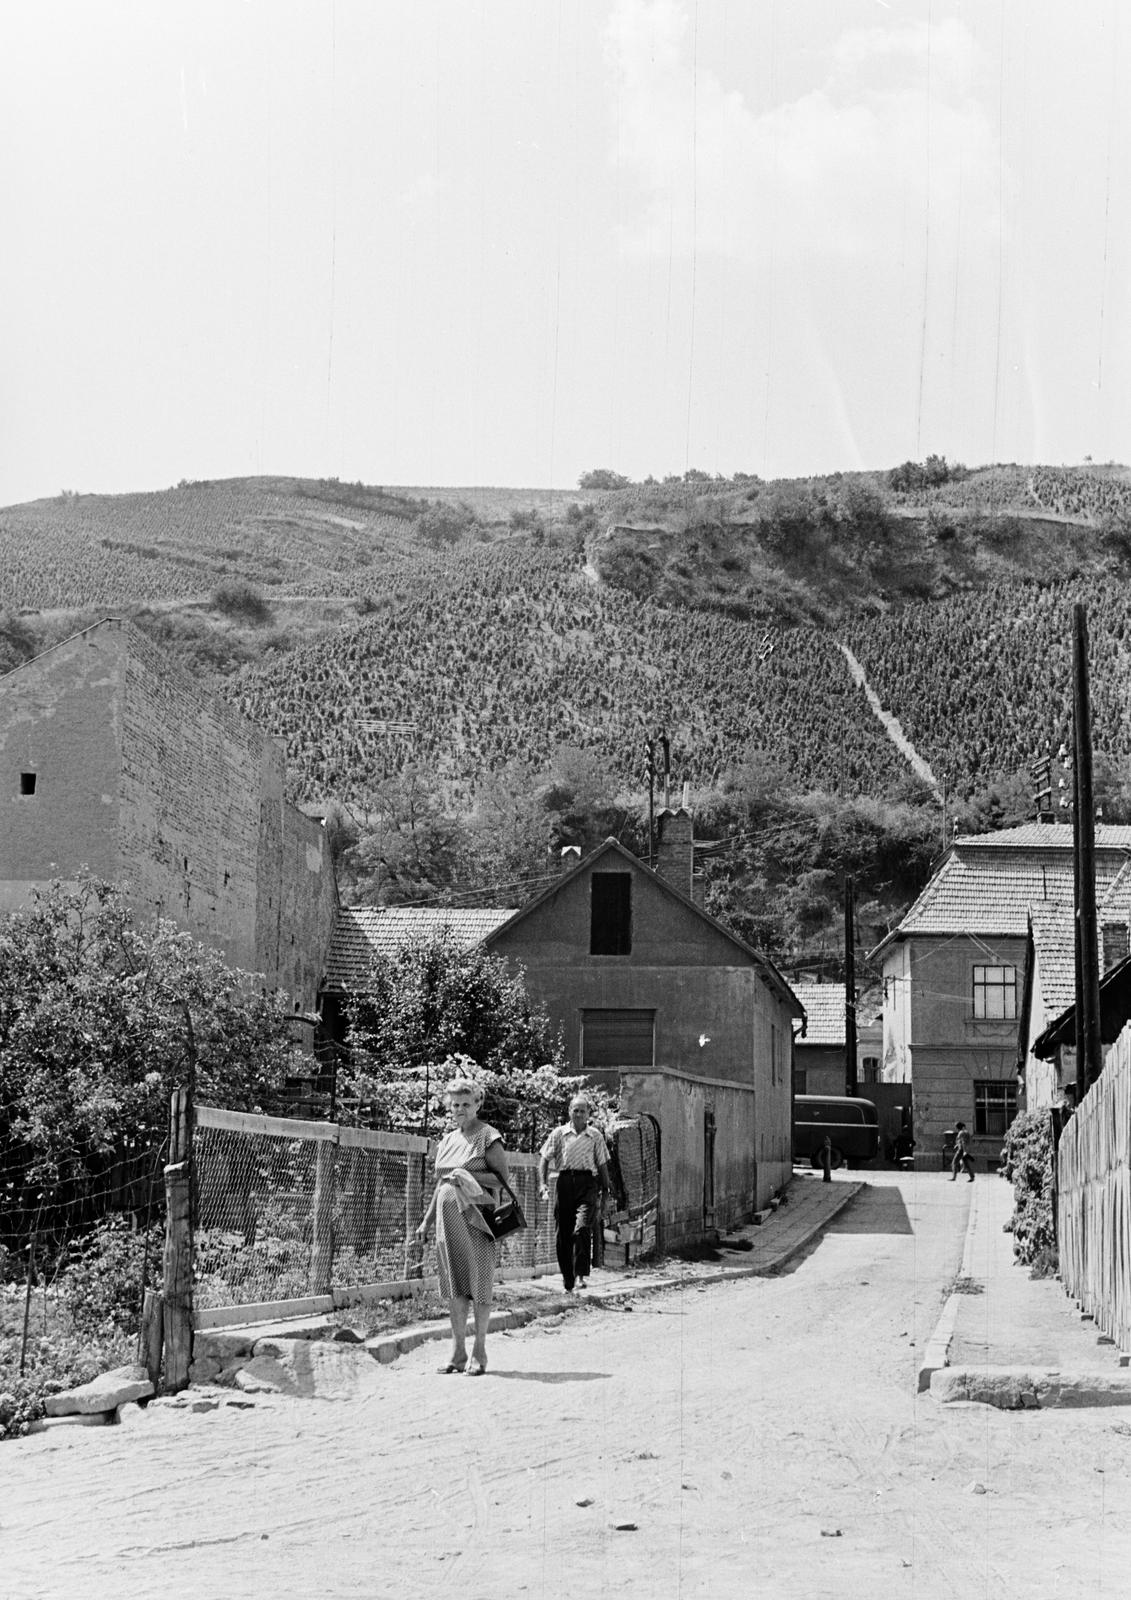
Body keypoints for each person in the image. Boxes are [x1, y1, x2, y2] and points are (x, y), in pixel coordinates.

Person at [415, 1076, 511, 1376]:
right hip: (448, 1221)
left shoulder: (488, 1137)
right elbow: (441, 1183)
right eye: (455, 1104)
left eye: (466, 1104)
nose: (460, 1110)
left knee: (479, 1282)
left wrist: (466, 1175)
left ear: (478, 1104)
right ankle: (457, 1353)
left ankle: (479, 1350)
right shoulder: (447, 1140)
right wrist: (427, 1221)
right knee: (453, 1284)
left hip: (477, 1219)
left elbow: (502, 1180)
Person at [538, 1094, 612, 1292]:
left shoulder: (595, 1136)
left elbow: (602, 1164)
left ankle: (580, 1275)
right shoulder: (559, 1133)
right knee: (563, 1233)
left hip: (587, 1183)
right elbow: (544, 1158)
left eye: (583, 1111)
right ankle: (568, 1279)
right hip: (564, 1183)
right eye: (575, 1110)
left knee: (581, 1228)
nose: (579, 1114)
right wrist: (542, 1184)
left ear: (588, 1114)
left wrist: (605, 1191)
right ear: (569, 1111)